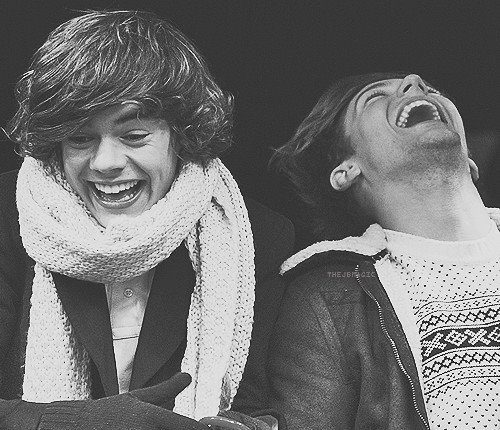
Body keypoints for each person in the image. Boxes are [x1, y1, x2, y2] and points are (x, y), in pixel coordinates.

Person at [0, 10, 294, 430]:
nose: (105, 162)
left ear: (182, 136)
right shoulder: (8, 213)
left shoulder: (252, 234)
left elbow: (256, 404)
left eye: (134, 136)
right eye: (80, 138)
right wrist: (73, 422)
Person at [268, 72, 500, 429]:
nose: (415, 82)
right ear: (346, 170)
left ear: (469, 158)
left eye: (432, 89)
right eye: (375, 97)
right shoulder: (328, 298)